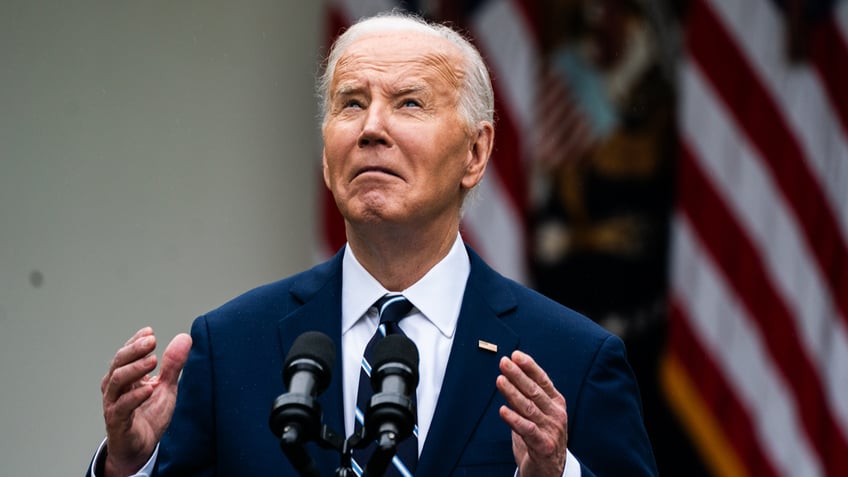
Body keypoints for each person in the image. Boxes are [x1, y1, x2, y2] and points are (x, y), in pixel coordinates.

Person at [87, 11, 657, 477]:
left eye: (409, 102)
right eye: (351, 103)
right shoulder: (233, 346)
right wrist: (127, 467)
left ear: (475, 154)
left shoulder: (573, 361)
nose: (370, 129)